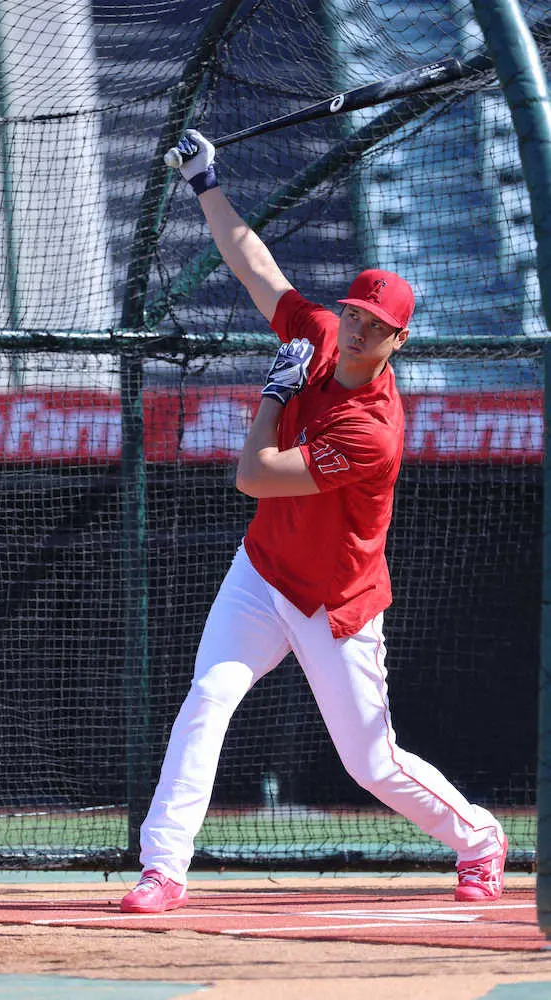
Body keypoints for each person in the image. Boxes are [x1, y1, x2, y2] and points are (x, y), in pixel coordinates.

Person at [120, 129, 507, 914]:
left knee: (371, 763)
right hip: (261, 575)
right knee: (206, 700)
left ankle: (477, 837)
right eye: (354, 312)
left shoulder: (372, 429)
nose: (357, 327)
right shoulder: (320, 336)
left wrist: (270, 395)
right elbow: (253, 264)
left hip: (334, 604)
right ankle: (162, 869)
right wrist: (206, 182)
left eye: (375, 324)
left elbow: (251, 474)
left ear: (398, 340)